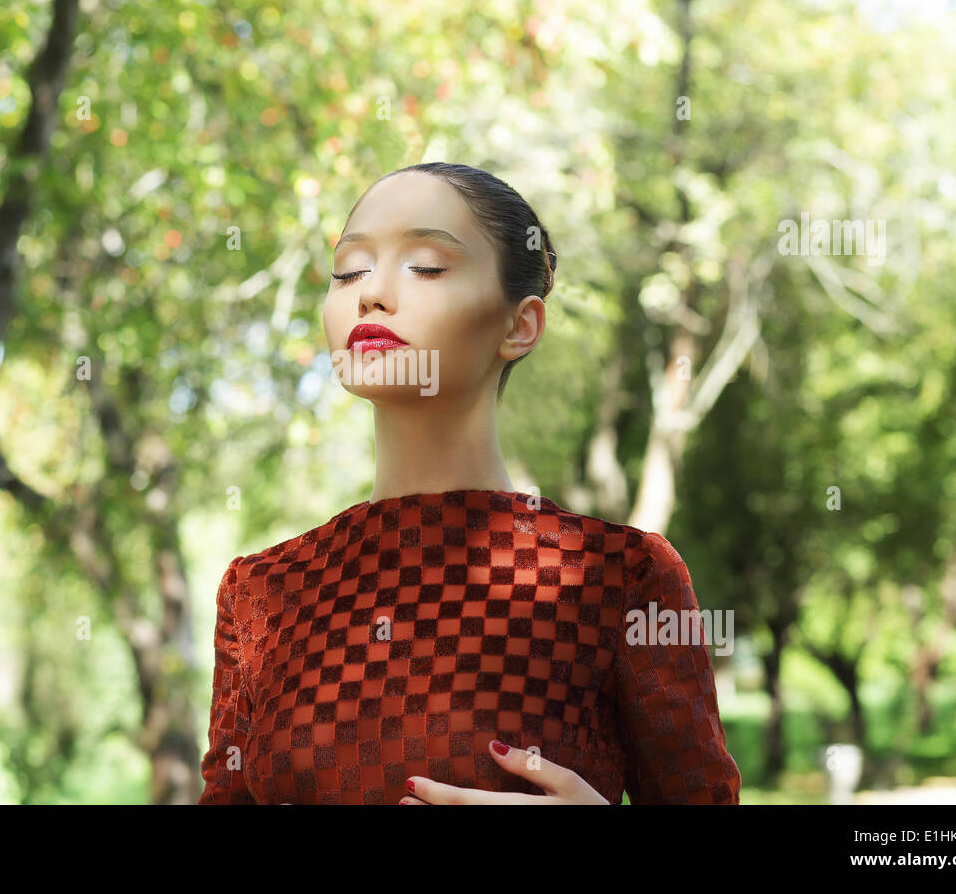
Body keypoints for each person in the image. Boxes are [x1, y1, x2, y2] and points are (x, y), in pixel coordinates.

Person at [198, 162, 741, 804]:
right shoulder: (261, 592)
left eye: (425, 265)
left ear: (520, 326)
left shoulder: (624, 577)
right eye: (349, 270)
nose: (371, 293)